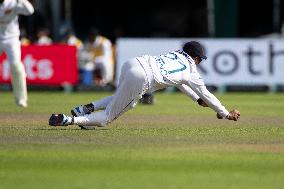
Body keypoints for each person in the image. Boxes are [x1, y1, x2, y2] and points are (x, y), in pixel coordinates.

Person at [49, 41, 240, 130]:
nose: (200, 63)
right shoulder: (190, 70)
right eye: (200, 60)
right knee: (107, 118)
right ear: (196, 58)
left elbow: (183, 85)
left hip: (132, 63)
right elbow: (207, 93)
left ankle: (84, 108)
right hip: (142, 76)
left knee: (128, 101)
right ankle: (68, 120)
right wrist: (224, 113)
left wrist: (197, 99)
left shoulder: (175, 54)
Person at [0, 0, 34, 107]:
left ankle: (21, 99)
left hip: (12, 39)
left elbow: (30, 11)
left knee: (16, 66)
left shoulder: (13, 2)